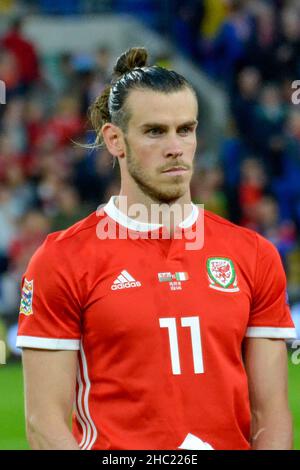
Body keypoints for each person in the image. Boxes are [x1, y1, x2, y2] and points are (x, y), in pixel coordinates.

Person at [17, 47, 296, 450]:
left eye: (185, 129)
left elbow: (271, 415)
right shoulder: (62, 259)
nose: (175, 146)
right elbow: (44, 423)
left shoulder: (254, 255)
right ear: (115, 139)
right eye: (154, 131)